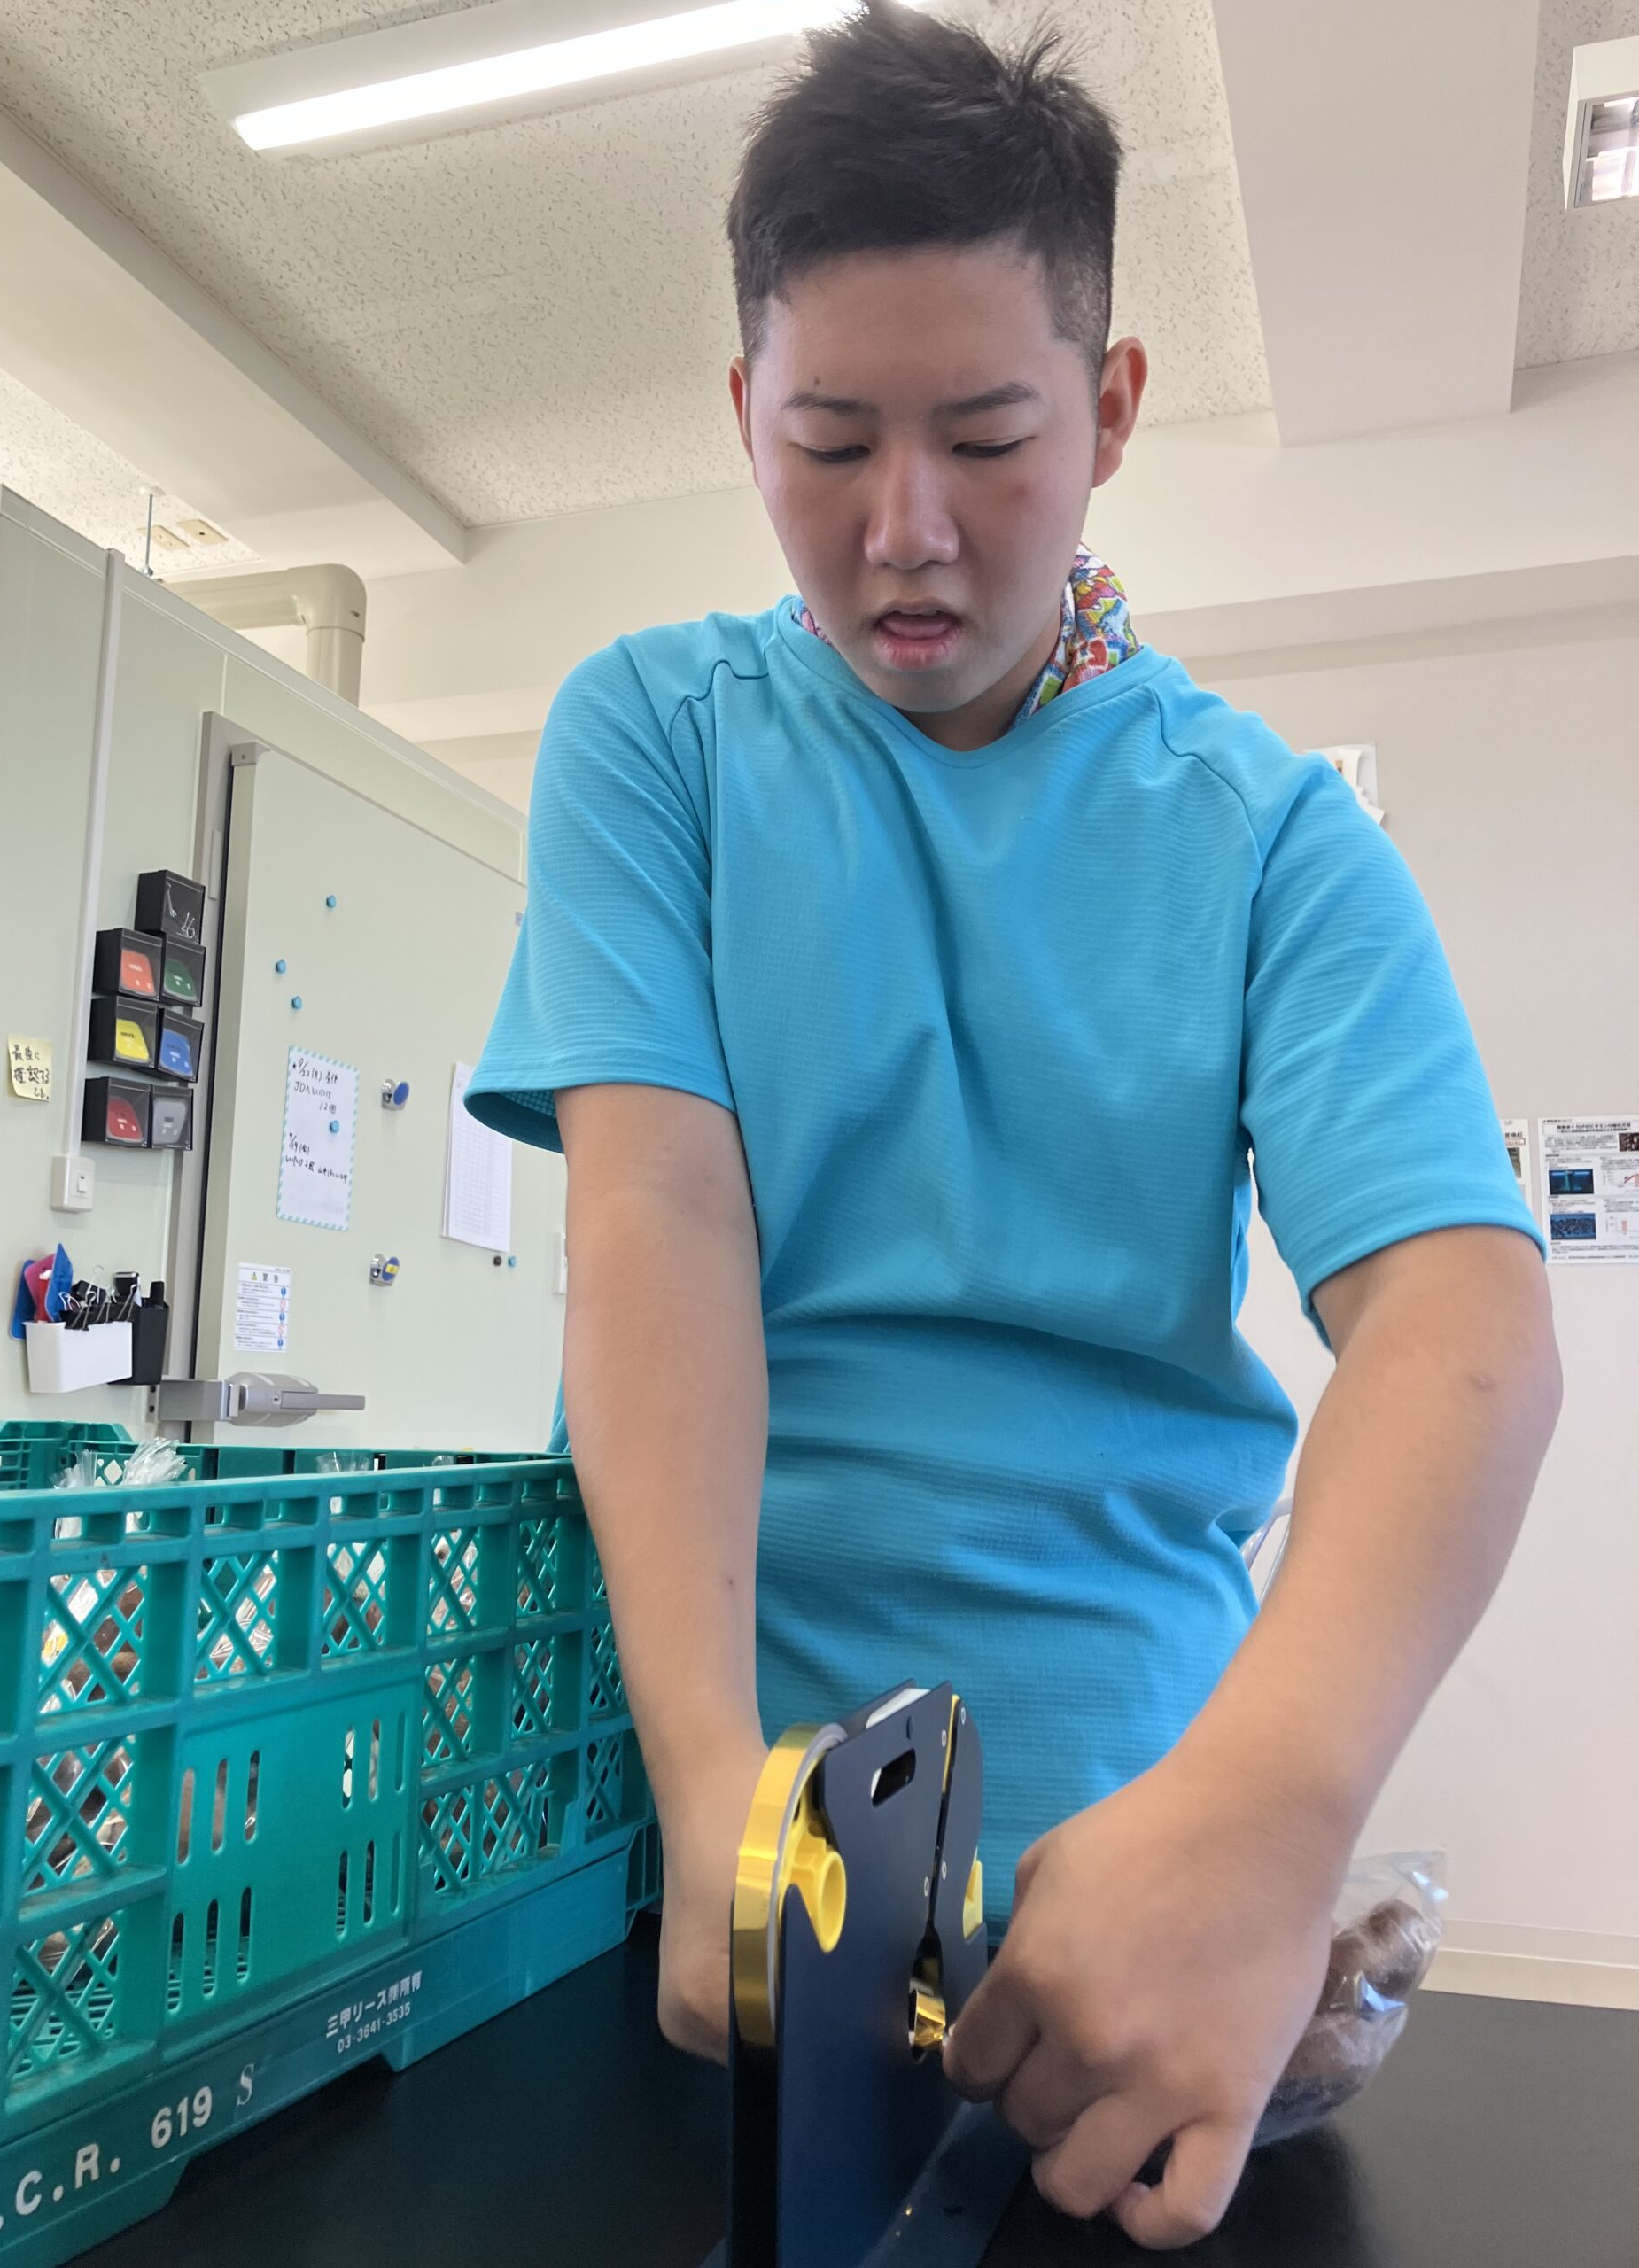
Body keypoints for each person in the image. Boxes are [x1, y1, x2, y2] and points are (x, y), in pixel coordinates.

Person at [466, 4, 1560, 2247]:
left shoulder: (1270, 839)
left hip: (1121, 1885)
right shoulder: (659, 737)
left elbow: (1464, 1322)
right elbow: (661, 1221)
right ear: (744, 414)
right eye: (828, 442)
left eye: (986, 438)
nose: (907, 531)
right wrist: (717, 1794)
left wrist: (1267, 1812)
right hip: (689, 1832)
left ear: (1115, 406)